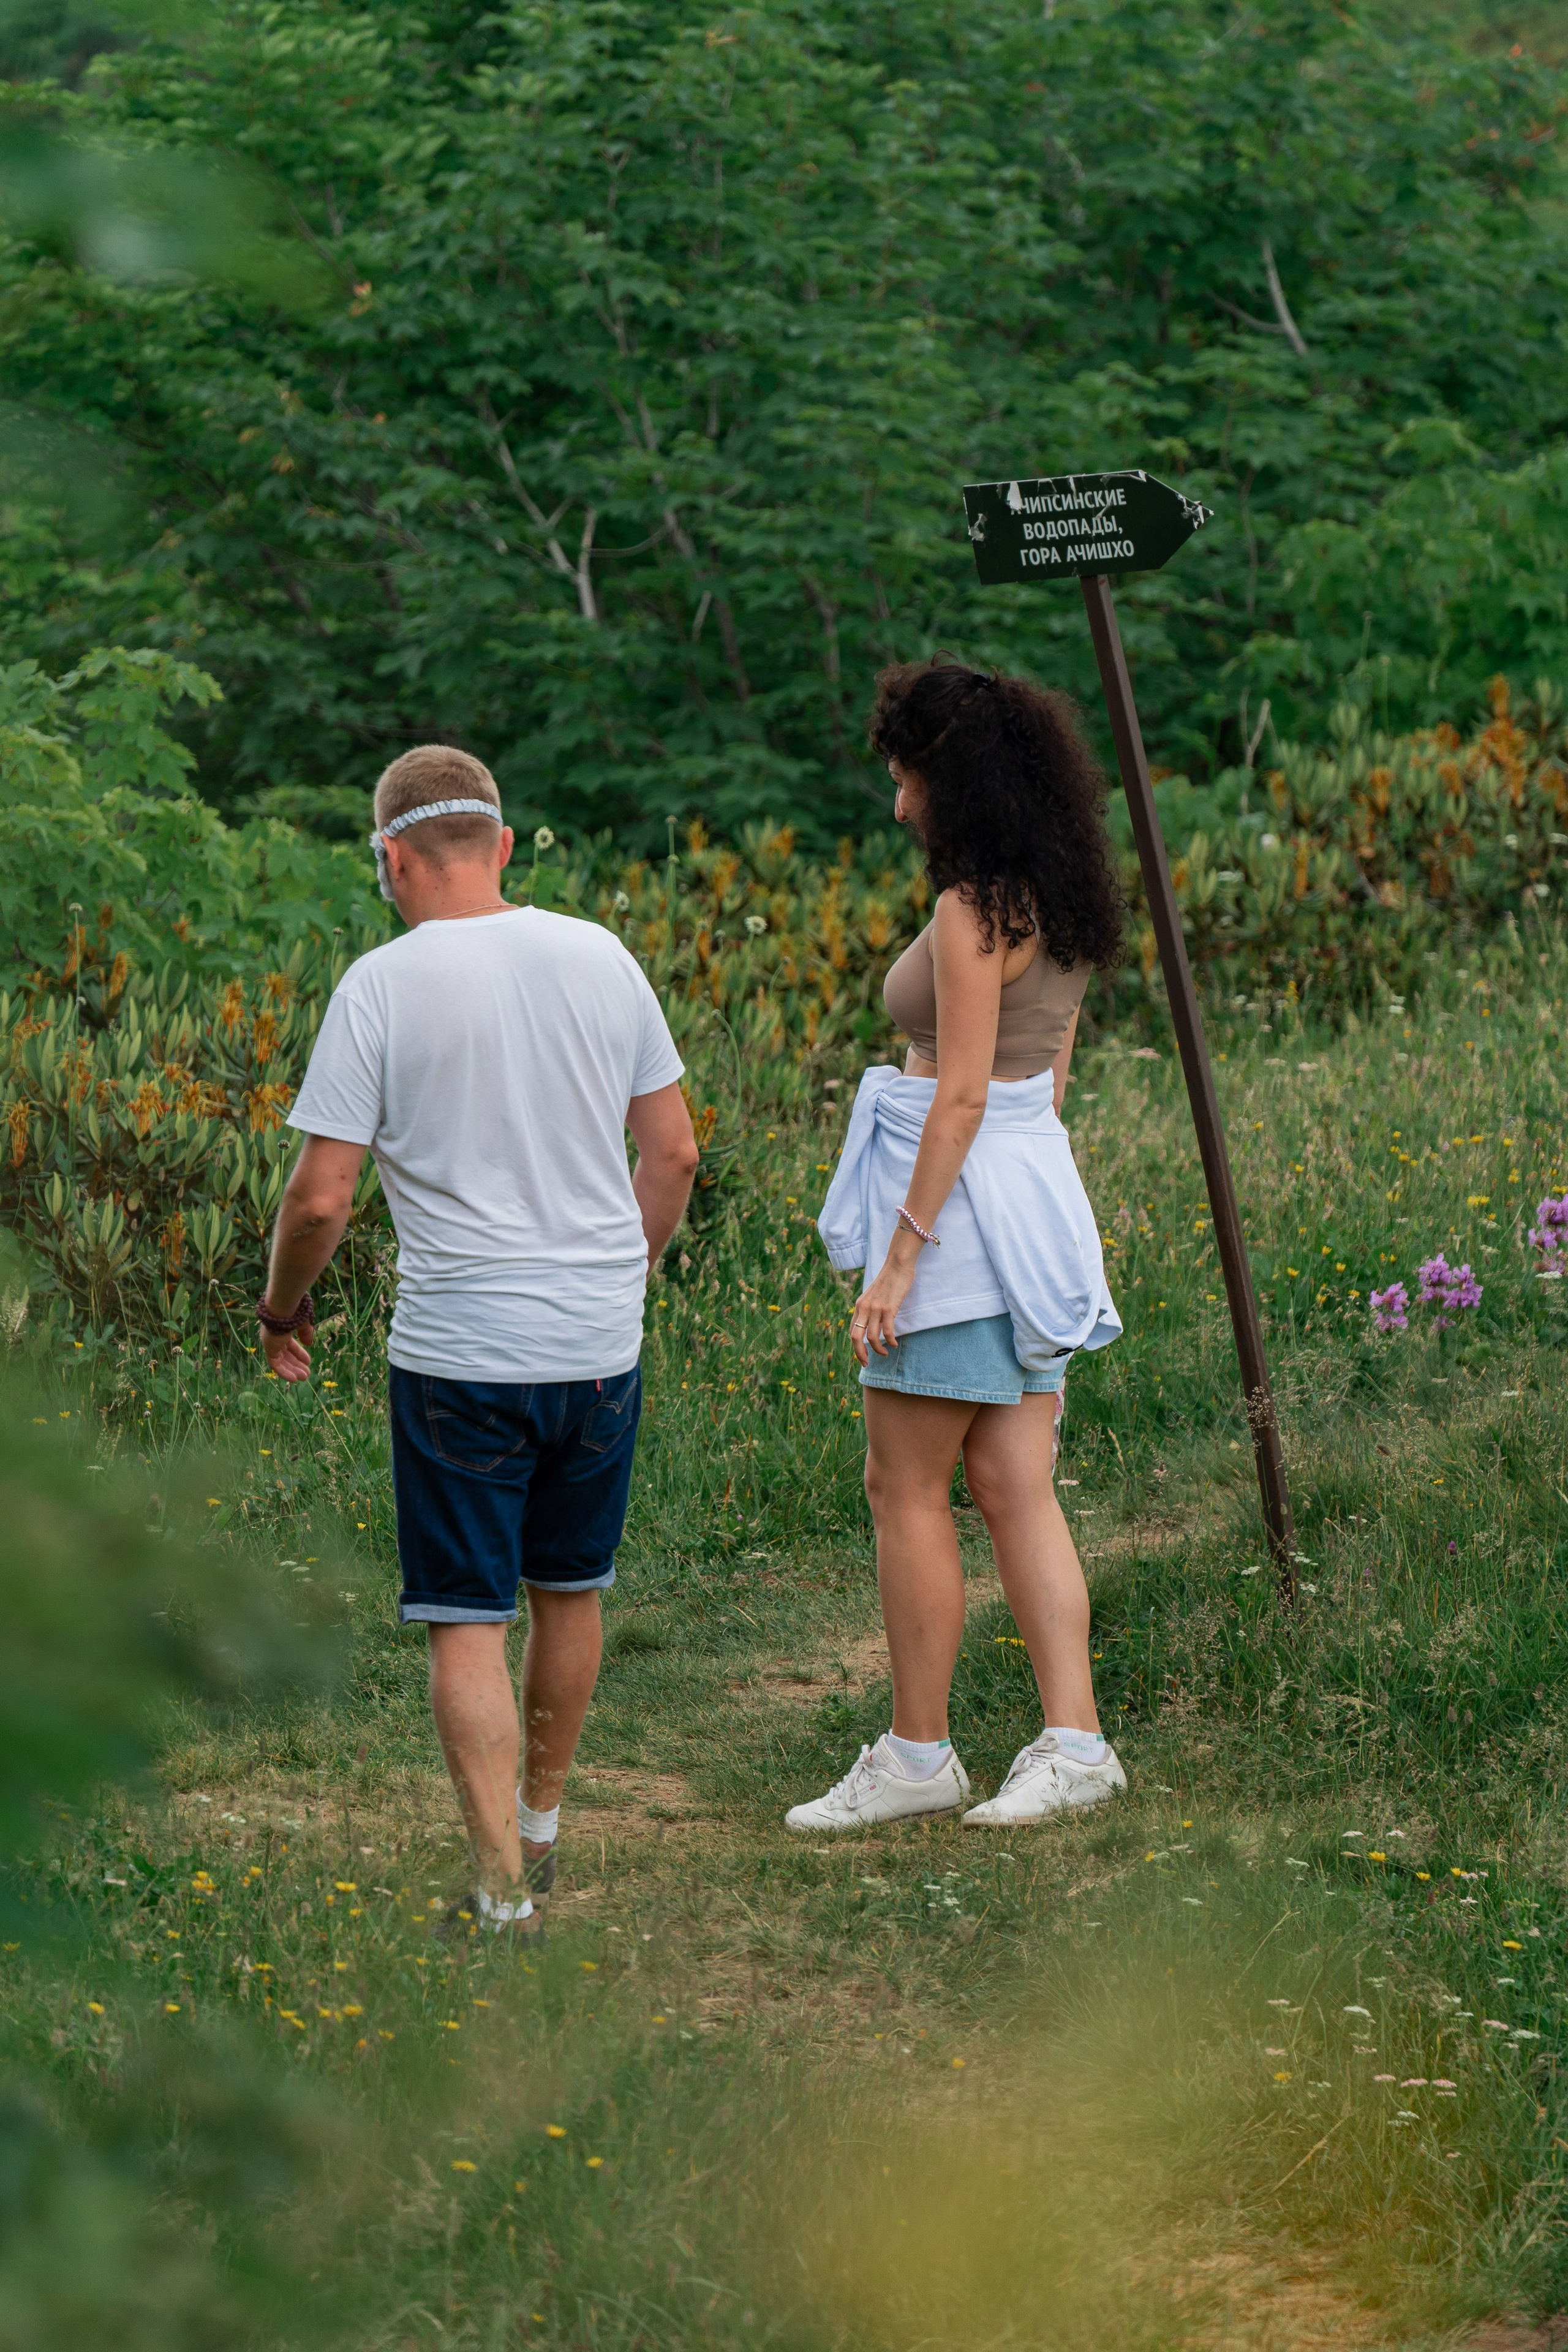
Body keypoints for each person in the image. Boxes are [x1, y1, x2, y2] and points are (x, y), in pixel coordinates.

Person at [257, 745, 698, 1935]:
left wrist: (280, 1305)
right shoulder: (601, 958)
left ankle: (500, 1892)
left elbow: (318, 1201)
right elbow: (674, 1155)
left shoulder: (381, 987)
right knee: (570, 1592)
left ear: (390, 861)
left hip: (461, 1351)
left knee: (469, 1619)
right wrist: (624, 1271)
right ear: (502, 847)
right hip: (598, 1340)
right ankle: (542, 1835)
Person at [790, 659, 1126, 1834]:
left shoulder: (972, 908)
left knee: (907, 1488)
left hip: (968, 1219)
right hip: (1037, 1198)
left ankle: (920, 1753)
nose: (898, 804)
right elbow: (1043, 1084)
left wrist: (901, 1257)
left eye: (907, 777)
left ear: (957, 778)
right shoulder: (1065, 895)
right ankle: (1074, 1743)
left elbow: (967, 1094)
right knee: (1016, 1484)